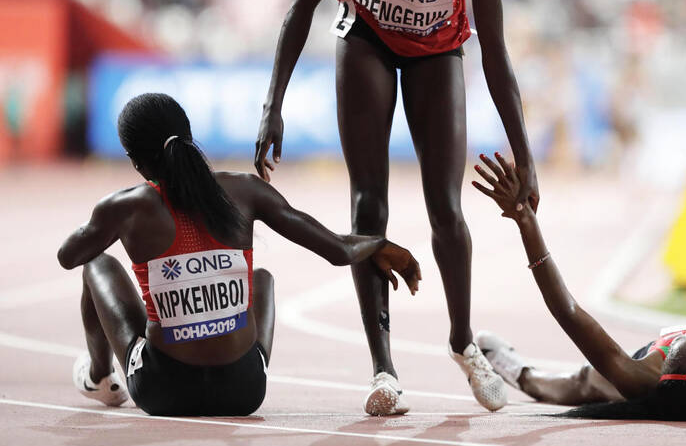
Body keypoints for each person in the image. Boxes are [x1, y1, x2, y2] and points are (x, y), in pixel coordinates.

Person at [253, 0, 539, 415]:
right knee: (368, 203)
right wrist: (272, 104)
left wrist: (524, 155)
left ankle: (463, 343)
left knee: (446, 207)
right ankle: (383, 369)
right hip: (368, 38)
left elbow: (496, 54)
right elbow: (302, 5)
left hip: (438, 49)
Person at [58, 93, 421, 417]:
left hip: (163, 390)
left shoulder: (125, 207)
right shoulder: (246, 189)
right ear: (188, 138)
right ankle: (242, 358)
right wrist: (379, 243)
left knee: (97, 264)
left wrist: (104, 221)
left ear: (135, 161)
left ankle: (100, 377)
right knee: (261, 279)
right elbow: (339, 250)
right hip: (243, 389)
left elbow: (69, 256)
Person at [471, 107, 686, 420]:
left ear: (664, 371)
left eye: (682, 340)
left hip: (648, 377)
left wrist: (525, 221)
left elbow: (568, 312)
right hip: (680, 380)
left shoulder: (647, 378)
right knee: (599, 378)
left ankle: (524, 375)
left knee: (587, 381)